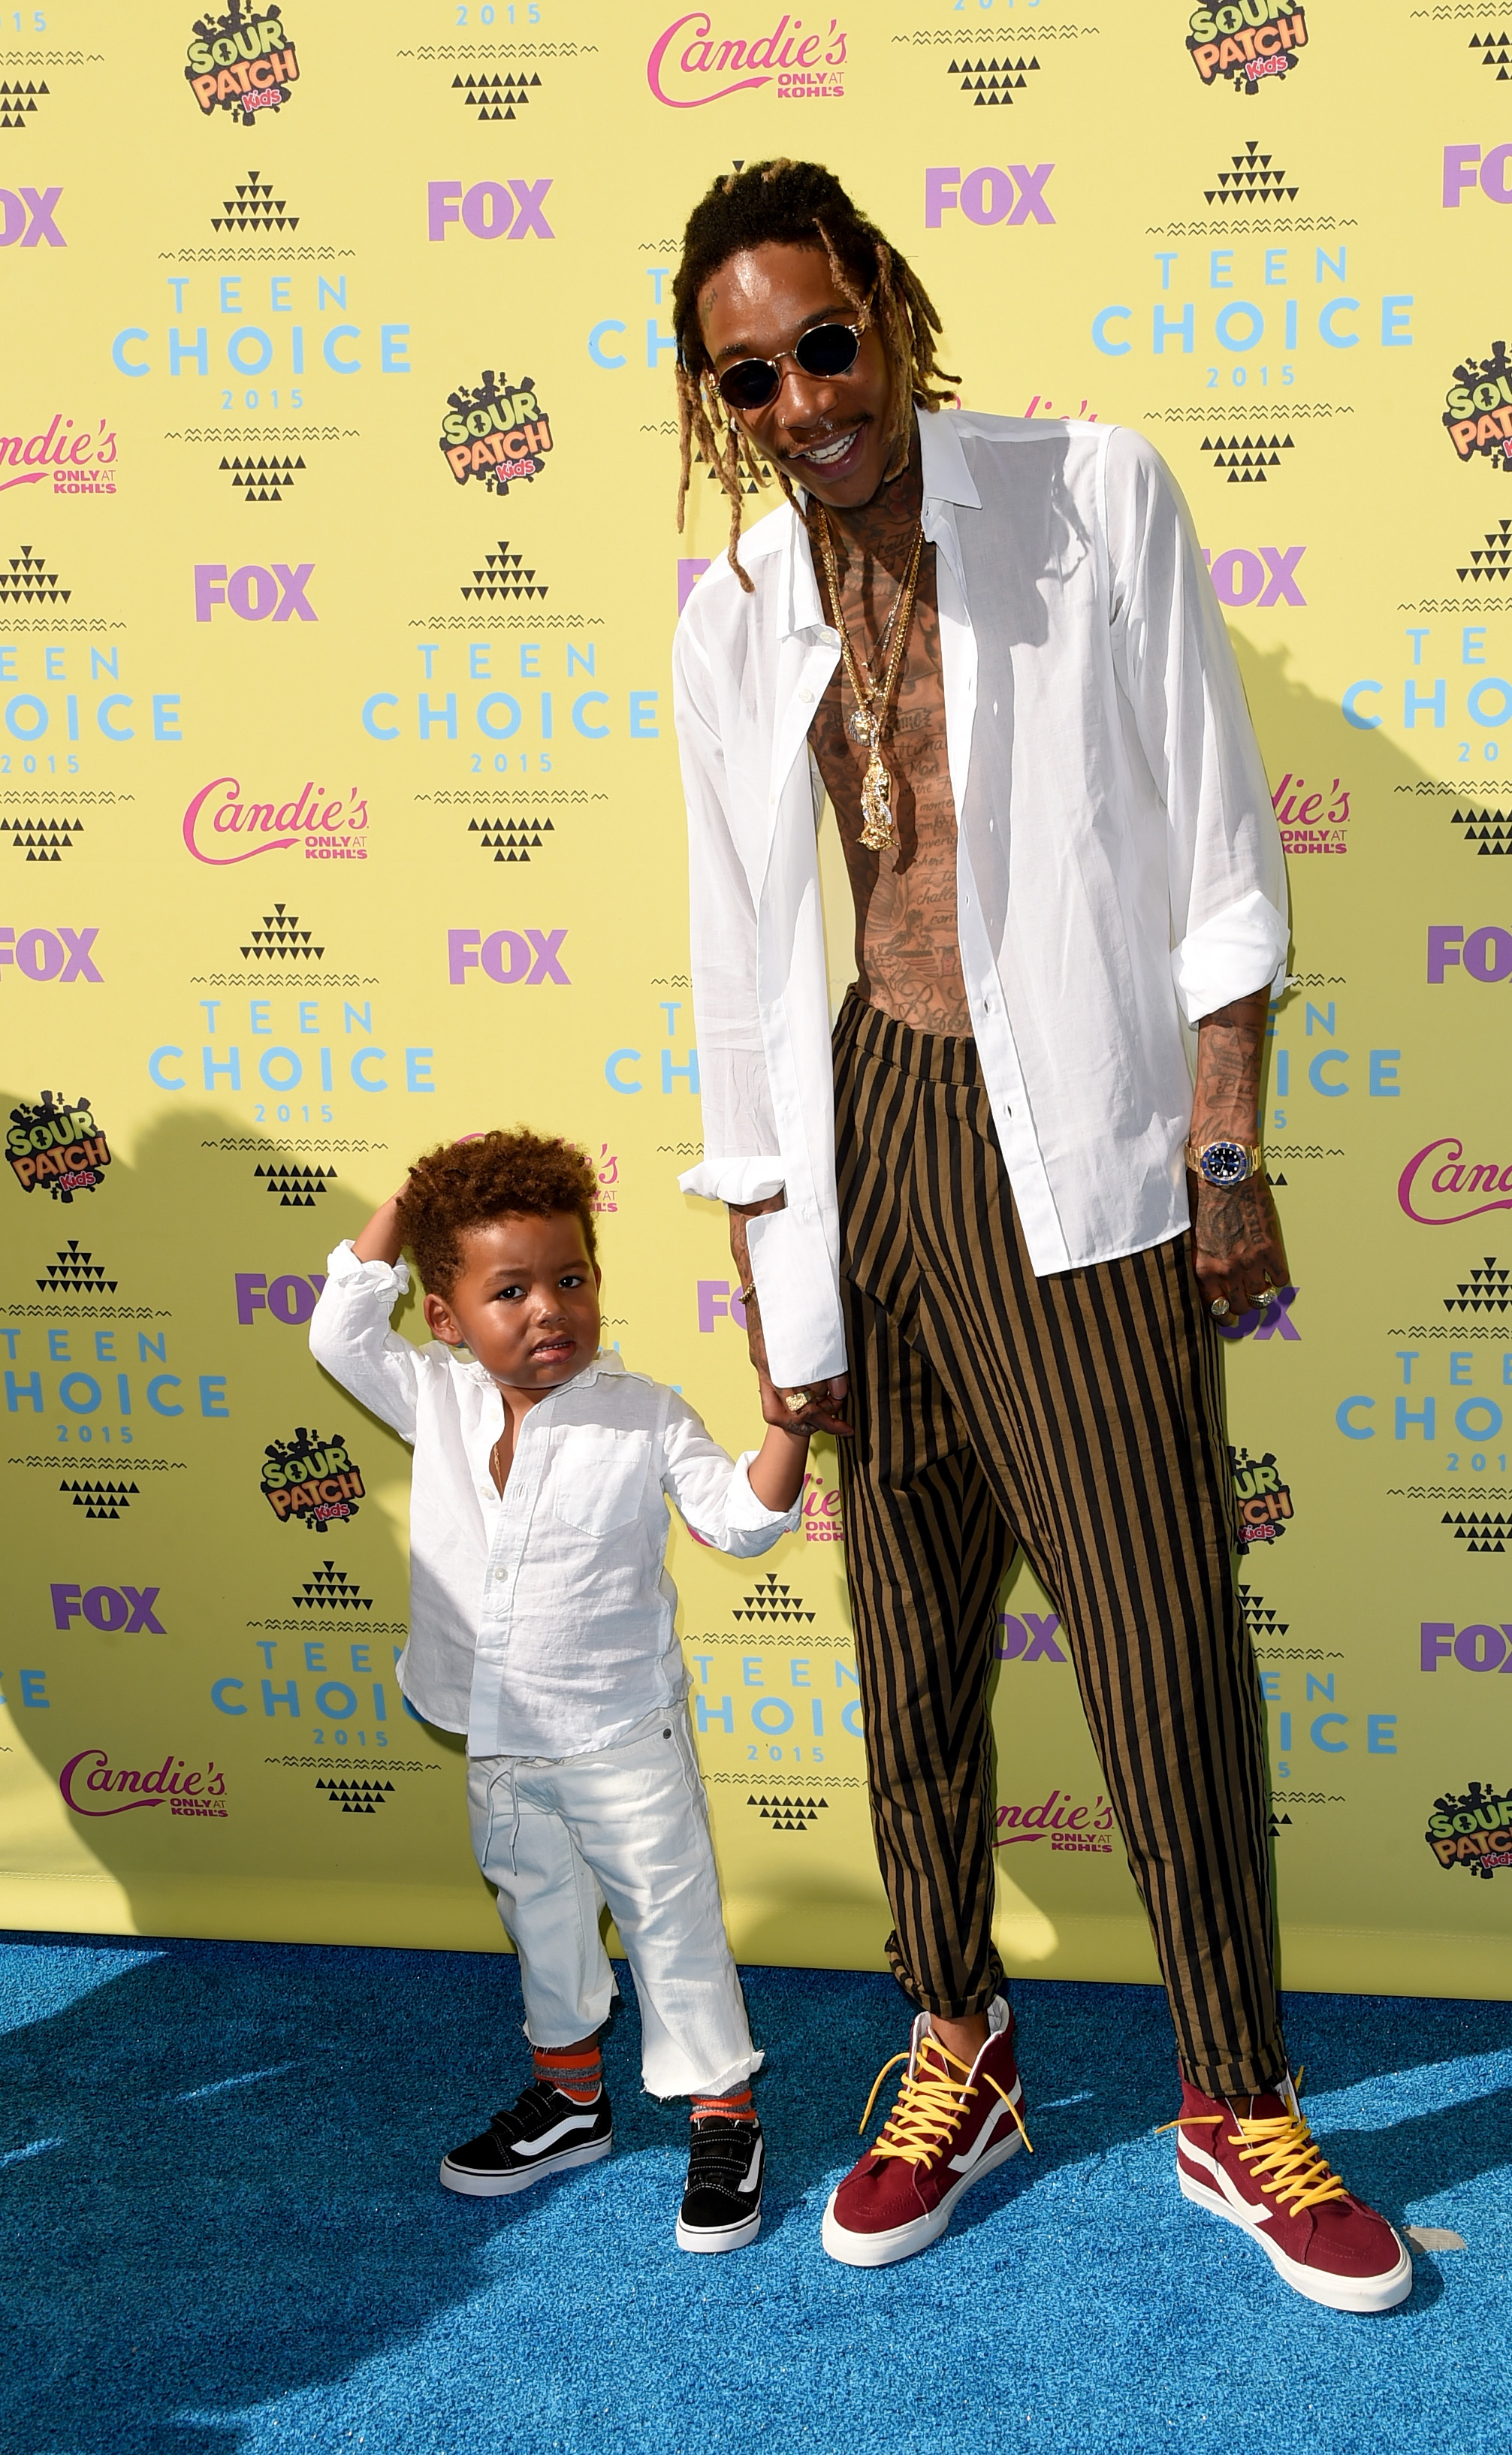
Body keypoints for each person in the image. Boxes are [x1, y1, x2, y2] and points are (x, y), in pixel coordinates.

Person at [668, 159, 1411, 2311]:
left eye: (825, 337)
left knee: (1158, 1625)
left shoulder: (1089, 495)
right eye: (753, 372)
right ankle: (953, 2039)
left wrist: (1226, 1142)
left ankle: (1232, 2094)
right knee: (903, 1635)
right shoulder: (732, 616)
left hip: (1072, 1125)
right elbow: (739, 954)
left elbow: (1214, 833)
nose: (805, 393)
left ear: (886, 304)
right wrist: (765, 1259)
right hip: (869, 1114)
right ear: (714, 399)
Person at [309, 1128, 808, 2252]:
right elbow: (338, 1326)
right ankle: (571, 2100)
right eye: (511, 1290)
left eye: (571, 1279)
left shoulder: (643, 1414)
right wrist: (413, 1201)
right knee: (538, 1915)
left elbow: (740, 1519)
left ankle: (725, 2115)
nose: (550, 1310)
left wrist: (785, 1429)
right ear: (445, 1316)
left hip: (621, 1731)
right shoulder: (430, 1396)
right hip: (495, 1736)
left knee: (670, 1925)